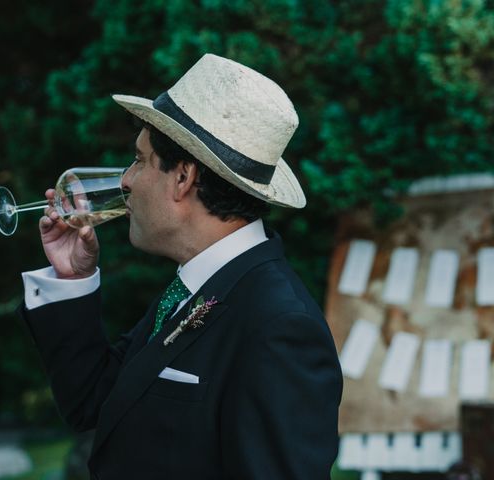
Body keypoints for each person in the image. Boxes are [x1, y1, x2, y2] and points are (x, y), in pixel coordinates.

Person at [20, 53, 342, 479]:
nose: (125, 181)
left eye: (139, 159)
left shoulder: (279, 326)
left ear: (183, 176)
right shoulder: (196, 286)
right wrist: (73, 279)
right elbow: (94, 403)